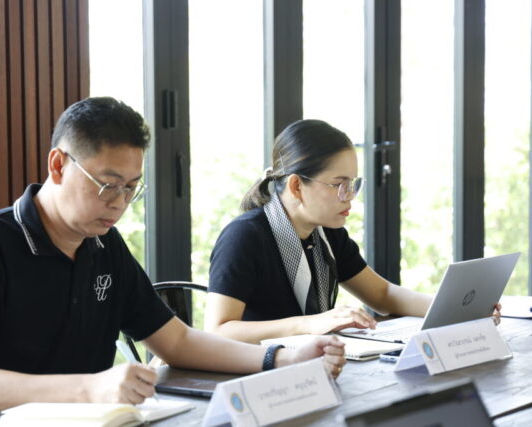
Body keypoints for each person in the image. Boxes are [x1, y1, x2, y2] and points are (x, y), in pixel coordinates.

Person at [0, 98, 345, 421]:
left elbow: (176, 342)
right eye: (108, 185)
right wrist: (90, 389)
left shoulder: (104, 245)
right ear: (58, 165)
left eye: (131, 188)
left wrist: (282, 359)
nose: (120, 203)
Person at [205, 119, 499, 344]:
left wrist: (456, 308)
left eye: (353, 185)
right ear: (296, 186)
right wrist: (310, 324)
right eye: (339, 185)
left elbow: (382, 295)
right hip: (258, 377)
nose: (350, 197)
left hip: (314, 366)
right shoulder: (245, 237)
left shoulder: (327, 233)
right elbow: (218, 331)